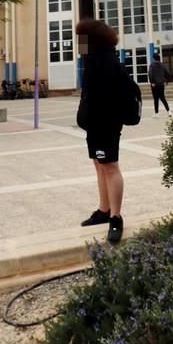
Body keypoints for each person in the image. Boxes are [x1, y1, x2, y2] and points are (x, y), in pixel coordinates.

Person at [75, 19, 133, 244]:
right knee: (99, 165)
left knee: (109, 167)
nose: (79, 43)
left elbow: (111, 96)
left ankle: (116, 217)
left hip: (106, 124)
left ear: (93, 40)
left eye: (82, 38)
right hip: (95, 124)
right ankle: (104, 209)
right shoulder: (92, 60)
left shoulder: (108, 62)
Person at [147, 52, 170, 118]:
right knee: (163, 98)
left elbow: (150, 74)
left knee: (156, 99)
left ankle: (157, 113)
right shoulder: (163, 65)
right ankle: (169, 112)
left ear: (154, 58)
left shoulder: (152, 65)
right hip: (161, 84)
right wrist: (167, 81)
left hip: (154, 85)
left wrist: (152, 82)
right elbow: (167, 73)